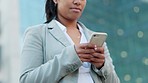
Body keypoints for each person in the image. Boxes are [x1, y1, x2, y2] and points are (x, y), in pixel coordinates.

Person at [20, 0, 120, 83]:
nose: (78, 2)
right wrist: (71, 57)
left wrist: (102, 66)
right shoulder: (37, 33)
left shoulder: (93, 38)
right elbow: (27, 80)